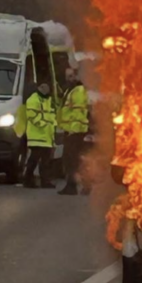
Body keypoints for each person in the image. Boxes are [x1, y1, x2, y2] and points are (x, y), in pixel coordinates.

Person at [57, 67, 90, 195]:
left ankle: (72, 186)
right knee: (76, 160)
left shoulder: (78, 91)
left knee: (72, 160)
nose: (68, 79)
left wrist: (74, 130)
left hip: (75, 131)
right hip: (72, 130)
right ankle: (83, 185)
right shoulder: (72, 90)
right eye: (67, 76)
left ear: (77, 77)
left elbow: (78, 113)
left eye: (71, 76)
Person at [23, 82, 56, 189]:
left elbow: (52, 116)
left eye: (47, 87)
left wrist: (53, 126)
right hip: (36, 136)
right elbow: (32, 116)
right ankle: (28, 180)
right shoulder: (33, 100)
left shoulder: (49, 100)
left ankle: (45, 182)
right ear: (39, 88)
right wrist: (44, 124)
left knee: (45, 161)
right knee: (34, 159)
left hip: (47, 136)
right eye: (43, 87)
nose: (46, 89)